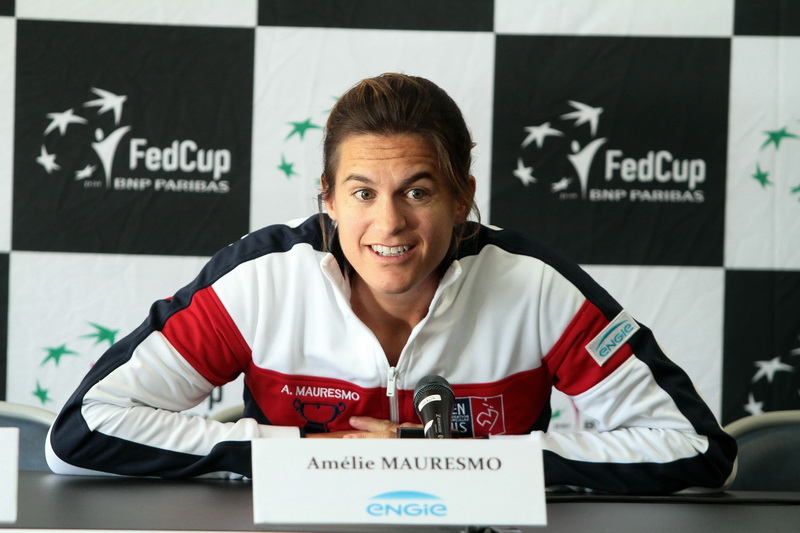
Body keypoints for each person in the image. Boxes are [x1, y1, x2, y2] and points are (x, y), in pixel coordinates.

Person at [46, 72, 736, 493]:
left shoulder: (538, 288)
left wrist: (466, 462)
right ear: (327, 197)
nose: (389, 223)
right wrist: (311, 455)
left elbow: (698, 447)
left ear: (463, 196)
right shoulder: (259, 281)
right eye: (362, 191)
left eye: (418, 190)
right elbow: (81, 429)